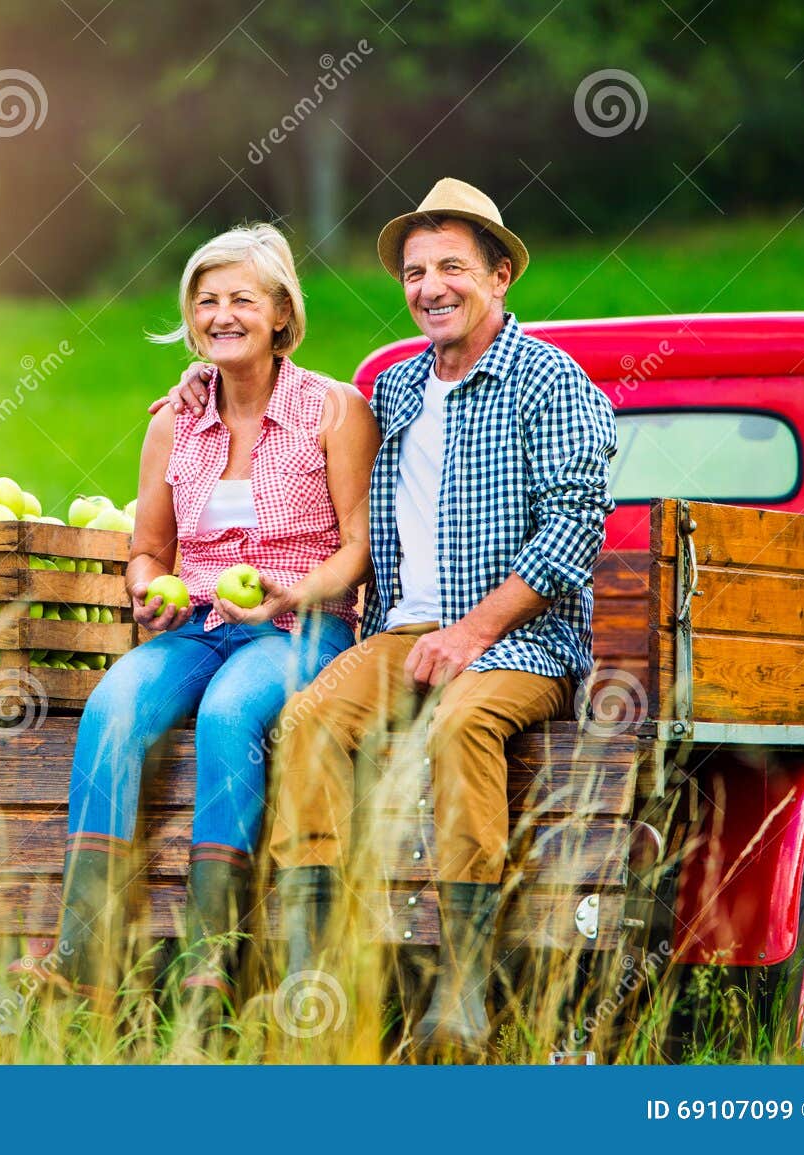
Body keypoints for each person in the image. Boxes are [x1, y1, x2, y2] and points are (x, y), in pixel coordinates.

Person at [160, 180, 617, 1056]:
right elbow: (293, 406)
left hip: (521, 640)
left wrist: (473, 631)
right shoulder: (398, 387)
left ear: (502, 274)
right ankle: (314, 975)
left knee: (461, 724)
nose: (430, 286)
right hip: (400, 634)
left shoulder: (550, 380)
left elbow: (572, 533)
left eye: (453, 267)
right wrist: (203, 379)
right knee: (307, 722)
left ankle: (463, 990)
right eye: (415, 272)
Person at [52, 223, 380, 1008]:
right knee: (114, 705)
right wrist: (144, 587)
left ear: (279, 316)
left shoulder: (334, 410)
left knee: (232, 712)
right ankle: (81, 954)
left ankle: (211, 959)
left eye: (241, 298)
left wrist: (290, 592)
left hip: (305, 626)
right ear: (190, 318)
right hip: (197, 624)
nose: (221, 314)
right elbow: (149, 547)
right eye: (206, 301)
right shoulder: (173, 421)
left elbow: (360, 549)